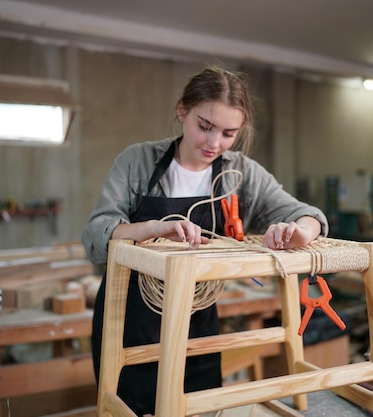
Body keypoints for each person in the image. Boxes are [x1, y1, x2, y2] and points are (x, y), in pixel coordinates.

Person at [81, 64, 328, 416]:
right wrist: (151, 229)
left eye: (228, 133)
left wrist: (299, 231)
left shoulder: (237, 173)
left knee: (199, 407)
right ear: (182, 111)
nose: (214, 144)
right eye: (205, 127)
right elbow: (95, 233)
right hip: (130, 319)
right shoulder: (138, 162)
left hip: (198, 322)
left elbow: (306, 214)